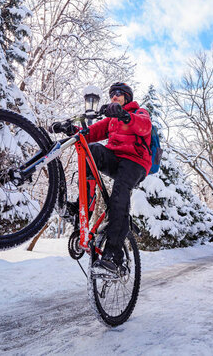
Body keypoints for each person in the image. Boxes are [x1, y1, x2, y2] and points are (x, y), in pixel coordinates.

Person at [52, 82, 152, 274]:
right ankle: (83, 209)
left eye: (119, 94)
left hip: (135, 162)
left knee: (119, 195)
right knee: (93, 151)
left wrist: (124, 115)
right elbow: (90, 133)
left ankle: (113, 257)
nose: (114, 96)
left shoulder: (139, 112)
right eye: (112, 94)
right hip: (116, 159)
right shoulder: (111, 120)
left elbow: (144, 127)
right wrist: (68, 129)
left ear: (127, 98)